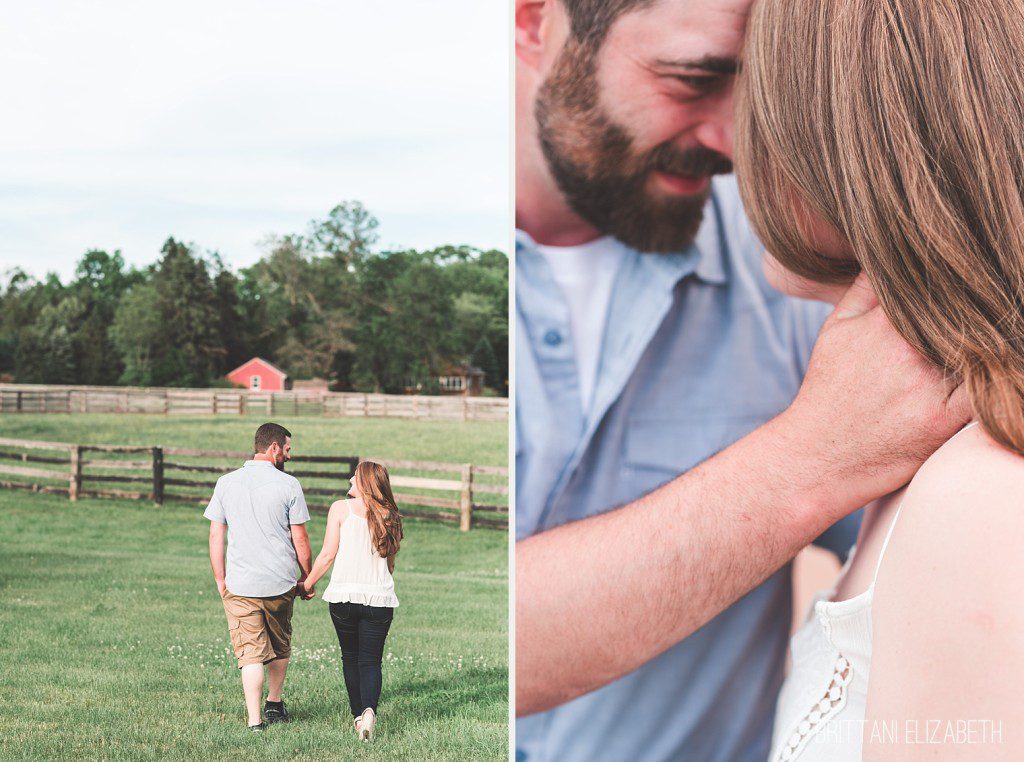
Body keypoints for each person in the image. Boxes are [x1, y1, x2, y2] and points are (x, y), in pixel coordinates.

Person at [514, 0, 968, 759]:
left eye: (756, 89)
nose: (732, 139)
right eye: (694, 78)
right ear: (534, 23)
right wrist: (813, 456)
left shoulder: (796, 268)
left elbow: (935, 546)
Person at [734, 1, 1024, 758]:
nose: (735, 150)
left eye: (757, 106)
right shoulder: (935, 451)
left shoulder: (981, 497)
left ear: (842, 149)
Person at [204, 422, 313, 732]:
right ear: (273, 448)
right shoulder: (289, 485)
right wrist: (307, 578)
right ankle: (275, 704)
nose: (289, 456)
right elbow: (300, 539)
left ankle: (255, 722)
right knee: (279, 644)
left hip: (240, 584)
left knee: (250, 654)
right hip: (280, 582)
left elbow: (216, 534)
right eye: (288, 449)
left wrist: (219, 578)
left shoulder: (226, 483)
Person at [300, 461, 403, 742]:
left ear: (366, 483)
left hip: (344, 598)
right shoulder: (391, 516)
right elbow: (390, 565)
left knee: (351, 657)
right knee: (371, 661)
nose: (350, 479)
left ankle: (359, 716)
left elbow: (327, 556)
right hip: (380, 600)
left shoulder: (340, 509)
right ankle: (370, 710)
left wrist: (306, 585)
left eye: (355, 477)